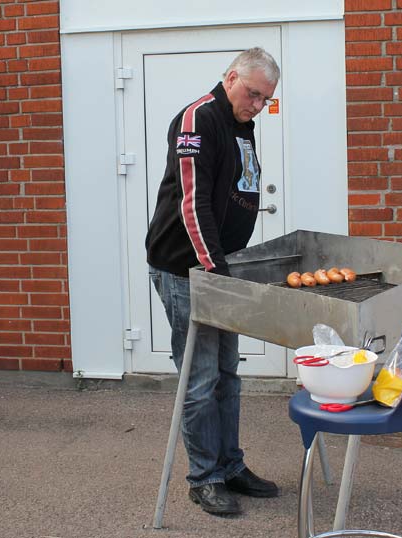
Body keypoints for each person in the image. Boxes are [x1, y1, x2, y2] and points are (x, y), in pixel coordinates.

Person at [145, 47, 280, 516]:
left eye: (266, 100)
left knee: (228, 374)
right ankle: (204, 478)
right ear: (230, 77)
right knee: (201, 380)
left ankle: (229, 464)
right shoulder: (198, 119)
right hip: (189, 270)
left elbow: (240, 192)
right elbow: (192, 203)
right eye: (253, 94)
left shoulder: (244, 126)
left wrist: (231, 268)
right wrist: (217, 273)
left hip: (221, 270)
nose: (258, 105)